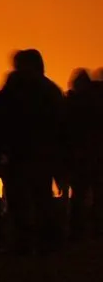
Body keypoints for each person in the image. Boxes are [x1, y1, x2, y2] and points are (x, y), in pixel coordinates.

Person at [0, 49, 65, 255]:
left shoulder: (15, 88)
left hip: (23, 152)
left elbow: (1, 118)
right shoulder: (49, 90)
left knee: (24, 199)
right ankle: (45, 242)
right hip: (36, 153)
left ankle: (27, 242)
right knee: (38, 198)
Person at [62, 70, 98, 240]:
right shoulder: (95, 101)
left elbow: (66, 131)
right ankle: (94, 229)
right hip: (92, 154)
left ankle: (77, 230)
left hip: (81, 154)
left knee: (79, 194)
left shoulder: (73, 104)